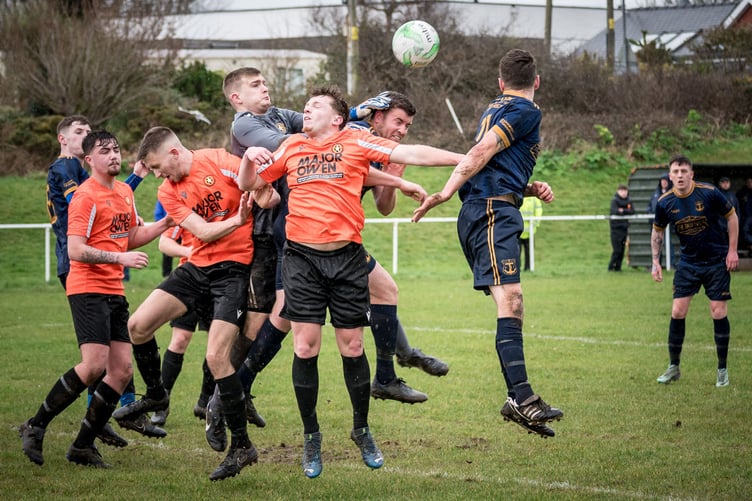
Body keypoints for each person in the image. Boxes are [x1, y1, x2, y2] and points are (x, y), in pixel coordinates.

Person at [238, 85, 463, 478]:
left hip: (346, 259)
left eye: (315, 106)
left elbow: (411, 153)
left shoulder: (356, 140)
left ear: (338, 118)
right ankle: (312, 437)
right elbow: (250, 184)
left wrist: (469, 158)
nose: (306, 110)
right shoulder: (291, 145)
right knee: (305, 346)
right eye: (305, 106)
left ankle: (361, 429)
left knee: (352, 345)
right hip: (301, 259)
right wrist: (250, 161)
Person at [412, 49, 563, 438]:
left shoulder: (493, 108)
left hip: (493, 207)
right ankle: (523, 399)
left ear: (500, 82)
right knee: (511, 299)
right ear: (537, 81)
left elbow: (492, 164)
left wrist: (526, 188)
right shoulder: (526, 110)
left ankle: (519, 399)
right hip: (491, 212)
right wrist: (445, 192)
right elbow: (480, 153)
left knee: (510, 301)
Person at [111, 126, 274, 481]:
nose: (157, 175)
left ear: (173, 153)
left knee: (217, 358)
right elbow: (200, 231)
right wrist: (237, 219)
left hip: (232, 272)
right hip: (197, 267)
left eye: (156, 166)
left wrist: (264, 195)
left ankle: (242, 446)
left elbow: (264, 189)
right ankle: (156, 395)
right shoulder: (168, 191)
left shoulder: (220, 160)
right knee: (137, 327)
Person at [19, 130, 173, 468]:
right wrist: (119, 259)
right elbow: (75, 249)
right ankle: (35, 425)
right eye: (105, 151)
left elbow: (129, 237)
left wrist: (166, 223)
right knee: (93, 366)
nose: (114, 155)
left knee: (119, 371)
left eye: (117, 149)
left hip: (113, 289)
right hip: (87, 287)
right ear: (89, 160)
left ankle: (82, 446)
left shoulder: (123, 192)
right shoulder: (85, 196)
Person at [347, 91, 450, 404]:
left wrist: (394, 175)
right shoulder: (358, 133)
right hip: (313, 233)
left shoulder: (382, 152)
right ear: (377, 117)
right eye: (398, 121)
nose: (403, 130)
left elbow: (384, 207)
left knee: (381, 293)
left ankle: (396, 366)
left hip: (341, 235)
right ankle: (401, 360)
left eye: (407, 125)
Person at [652, 155, 738, 388]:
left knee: (717, 311)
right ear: (669, 176)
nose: (679, 175)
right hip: (688, 263)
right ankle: (674, 367)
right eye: (675, 171)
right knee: (678, 311)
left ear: (691, 174)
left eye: (684, 171)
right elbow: (658, 232)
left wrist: (732, 251)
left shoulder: (709, 193)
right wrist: (655, 261)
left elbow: (732, 217)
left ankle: (722, 370)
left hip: (716, 261)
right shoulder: (664, 202)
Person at [608, 184, 635, 271]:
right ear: (618, 191)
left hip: (624, 228)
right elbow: (615, 211)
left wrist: (623, 210)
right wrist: (624, 211)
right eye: (622, 191)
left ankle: (618, 268)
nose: (624, 193)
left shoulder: (629, 200)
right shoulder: (614, 201)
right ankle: (611, 267)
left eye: (625, 191)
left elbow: (632, 211)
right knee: (617, 250)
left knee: (622, 250)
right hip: (615, 229)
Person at [518, 196, 543, 271]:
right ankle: (517, 269)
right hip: (518, 231)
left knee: (529, 251)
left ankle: (528, 268)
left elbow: (538, 210)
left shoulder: (534, 199)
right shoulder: (517, 196)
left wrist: (535, 224)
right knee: (516, 251)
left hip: (530, 231)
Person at [154, 200, 175, 277]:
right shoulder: (163, 198)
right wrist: (162, 228)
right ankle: (166, 274)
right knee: (167, 253)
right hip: (168, 229)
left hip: (182, 229)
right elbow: (158, 214)